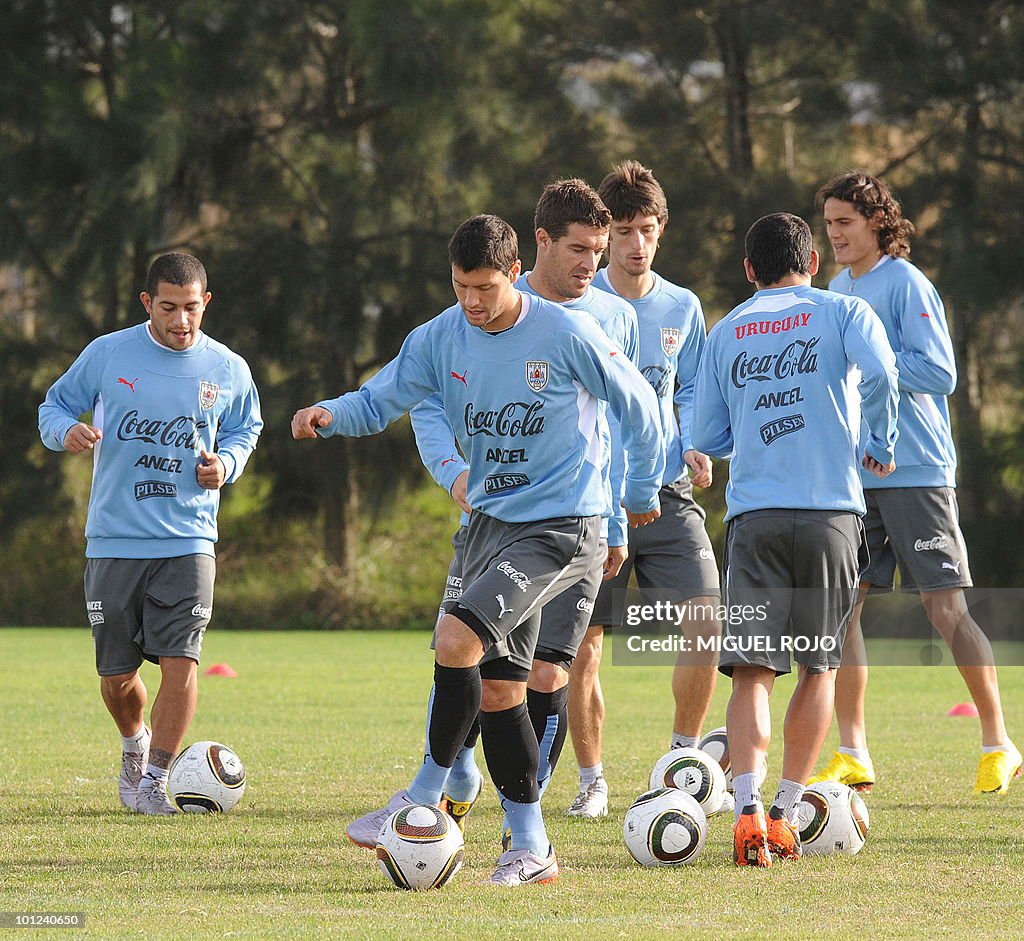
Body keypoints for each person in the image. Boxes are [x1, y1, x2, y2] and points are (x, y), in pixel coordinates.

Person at [292, 214, 664, 886]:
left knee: (455, 637)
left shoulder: (566, 332)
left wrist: (635, 494)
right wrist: (331, 412)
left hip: (563, 525)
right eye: (462, 285)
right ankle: (531, 846)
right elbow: (382, 399)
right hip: (492, 523)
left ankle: (421, 795)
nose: (472, 301)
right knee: (499, 688)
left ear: (516, 272)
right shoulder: (442, 335)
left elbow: (640, 405)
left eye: (486, 287)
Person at [693, 212, 899, 867]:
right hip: (832, 515)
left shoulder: (725, 331)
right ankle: (784, 811)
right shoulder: (844, 312)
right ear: (811, 261)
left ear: (750, 270)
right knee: (818, 665)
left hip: (754, 517)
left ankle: (746, 809)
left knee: (753, 672)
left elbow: (708, 436)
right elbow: (886, 377)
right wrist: (880, 442)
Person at [809, 171, 1021, 795]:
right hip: (858, 473)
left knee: (944, 608)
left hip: (918, 470)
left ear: (877, 221)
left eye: (845, 222)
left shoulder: (906, 283)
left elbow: (940, 372)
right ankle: (852, 751)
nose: (836, 235)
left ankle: (999, 741)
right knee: (843, 607)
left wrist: (873, 360)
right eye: (828, 224)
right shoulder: (837, 286)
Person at [38, 252, 263, 815]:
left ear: (206, 302)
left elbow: (246, 428)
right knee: (117, 676)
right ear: (147, 304)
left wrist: (227, 465)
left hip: (189, 539)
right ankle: (134, 743)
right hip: (114, 539)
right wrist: (66, 431)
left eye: (191, 308)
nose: (181, 321)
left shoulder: (229, 368)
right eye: (169, 308)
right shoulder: (108, 353)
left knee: (181, 663)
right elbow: (54, 406)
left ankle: (153, 781)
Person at [562, 159, 722, 818]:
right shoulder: (580, 303)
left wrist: (697, 443)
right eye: (624, 230)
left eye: (647, 229)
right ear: (605, 234)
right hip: (594, 499)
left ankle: (681, 761)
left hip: (667, 494)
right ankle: (592, 779)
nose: (637, 244)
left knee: (708, 619)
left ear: (661, 231)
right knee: (585, 643)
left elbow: (694, 391)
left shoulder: (682, 306)